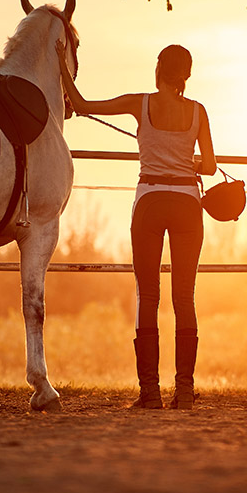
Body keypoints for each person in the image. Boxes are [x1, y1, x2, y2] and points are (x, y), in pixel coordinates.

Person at [56, 41, 217, 410]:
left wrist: (60, 64)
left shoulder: (139, 103)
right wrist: (186, 162)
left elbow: (80, 106)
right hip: (187, 205)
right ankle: (185, 391)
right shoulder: (198, 112)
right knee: (184, 297)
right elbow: (208, 166)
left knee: (148, 295)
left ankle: (150, 393)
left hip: (149, 202)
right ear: (186, 75)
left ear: (158, 69)